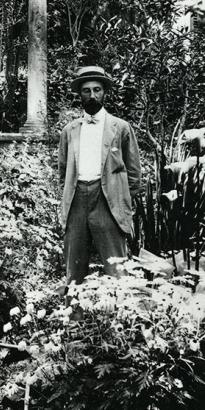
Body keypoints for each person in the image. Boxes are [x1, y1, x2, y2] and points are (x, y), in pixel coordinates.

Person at [58, 66, 141, 284]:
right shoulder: (69, 130)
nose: (92, 95)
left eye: (97, 90)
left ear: (104, 93)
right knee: (74, 268)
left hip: (108, 200)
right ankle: (74, 317)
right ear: (79, 94)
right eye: (86, 91)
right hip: (77, 199)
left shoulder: (121, 127)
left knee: (116, 267)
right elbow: (63, 170)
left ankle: (121, 316)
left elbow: (134, 174)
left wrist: (120, 200)